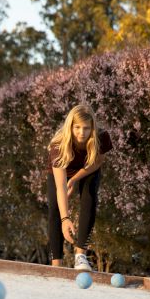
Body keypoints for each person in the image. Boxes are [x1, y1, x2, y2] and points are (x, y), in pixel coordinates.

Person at [46, 104, 113, 270]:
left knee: (89, 197)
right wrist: (65, 219)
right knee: (55, 208)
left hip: (87, 168)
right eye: (77, 127)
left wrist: (75, 179)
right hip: (61, 172)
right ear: (70, 126)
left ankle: (80, 256)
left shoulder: (101, 137)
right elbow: (61, 186)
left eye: (86, 128)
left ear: (92, 128)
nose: (81, 133)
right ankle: (56, 264)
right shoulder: (58, 145)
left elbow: (96, 163)